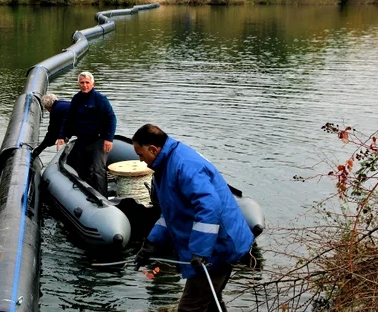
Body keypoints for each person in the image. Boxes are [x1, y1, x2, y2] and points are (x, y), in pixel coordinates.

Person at [132, 123, 254, 312]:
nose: (141, 161)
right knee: (209, 302)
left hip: (219, 248)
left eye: (141, 155)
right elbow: (172, 213)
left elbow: (210, 206)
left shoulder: (184, 166)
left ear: (154, 149)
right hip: (214, 247)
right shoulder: (167, 167)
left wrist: (200, 251)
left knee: (191, 307)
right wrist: (152, 243)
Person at [58, 71, 117, 197]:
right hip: (83, 138)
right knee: (76, 165)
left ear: (93, 84)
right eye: (82, 83)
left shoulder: (100, 99)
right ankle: (84, 193)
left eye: (87, 83)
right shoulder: (77, 99)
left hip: (99, 138)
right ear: (79, 84)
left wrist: (109, 138)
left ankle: (102, 197)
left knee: (98, 169)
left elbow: (111, 118)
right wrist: (61, 136)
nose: (84, 85)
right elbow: (69, 118)